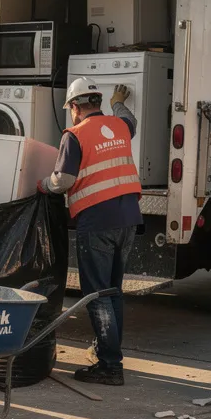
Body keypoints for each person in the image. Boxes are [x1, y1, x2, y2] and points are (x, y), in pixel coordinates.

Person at [38, 78, 142, 386]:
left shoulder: (75, 135)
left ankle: (110, 365)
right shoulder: (120, 127)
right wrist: (118, 100)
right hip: (128, 219)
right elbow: (129, 119)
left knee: (97, 294)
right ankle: (108, 351)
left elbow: (64, 180)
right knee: (112, 292)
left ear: (74, 107)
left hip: (97, 221)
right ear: (96, 102)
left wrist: (43, 185)